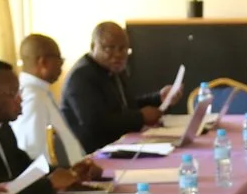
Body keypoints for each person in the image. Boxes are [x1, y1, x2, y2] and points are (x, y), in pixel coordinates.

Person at [0, 56, 101, 194]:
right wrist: (50, 184)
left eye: (19, 92)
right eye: (13, 93)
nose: (20, 99)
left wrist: (70, 172)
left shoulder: (1, 124)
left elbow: (24, 168)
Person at [58, 21, 167, 153]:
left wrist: (158, 98)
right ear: (93, 46)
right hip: (93, 155)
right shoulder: (82, 76)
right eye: (109, 48)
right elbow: (97, 124)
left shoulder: (111, 69)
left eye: (123, 49)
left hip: (118, 146)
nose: (118, 54)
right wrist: (140, 117)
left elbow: (125, 106)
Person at [8, 33, 89, 168]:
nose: (61, 65)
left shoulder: (40, 93)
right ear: (43, 62)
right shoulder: (32, 98)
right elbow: (33, 152)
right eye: (59, 60)